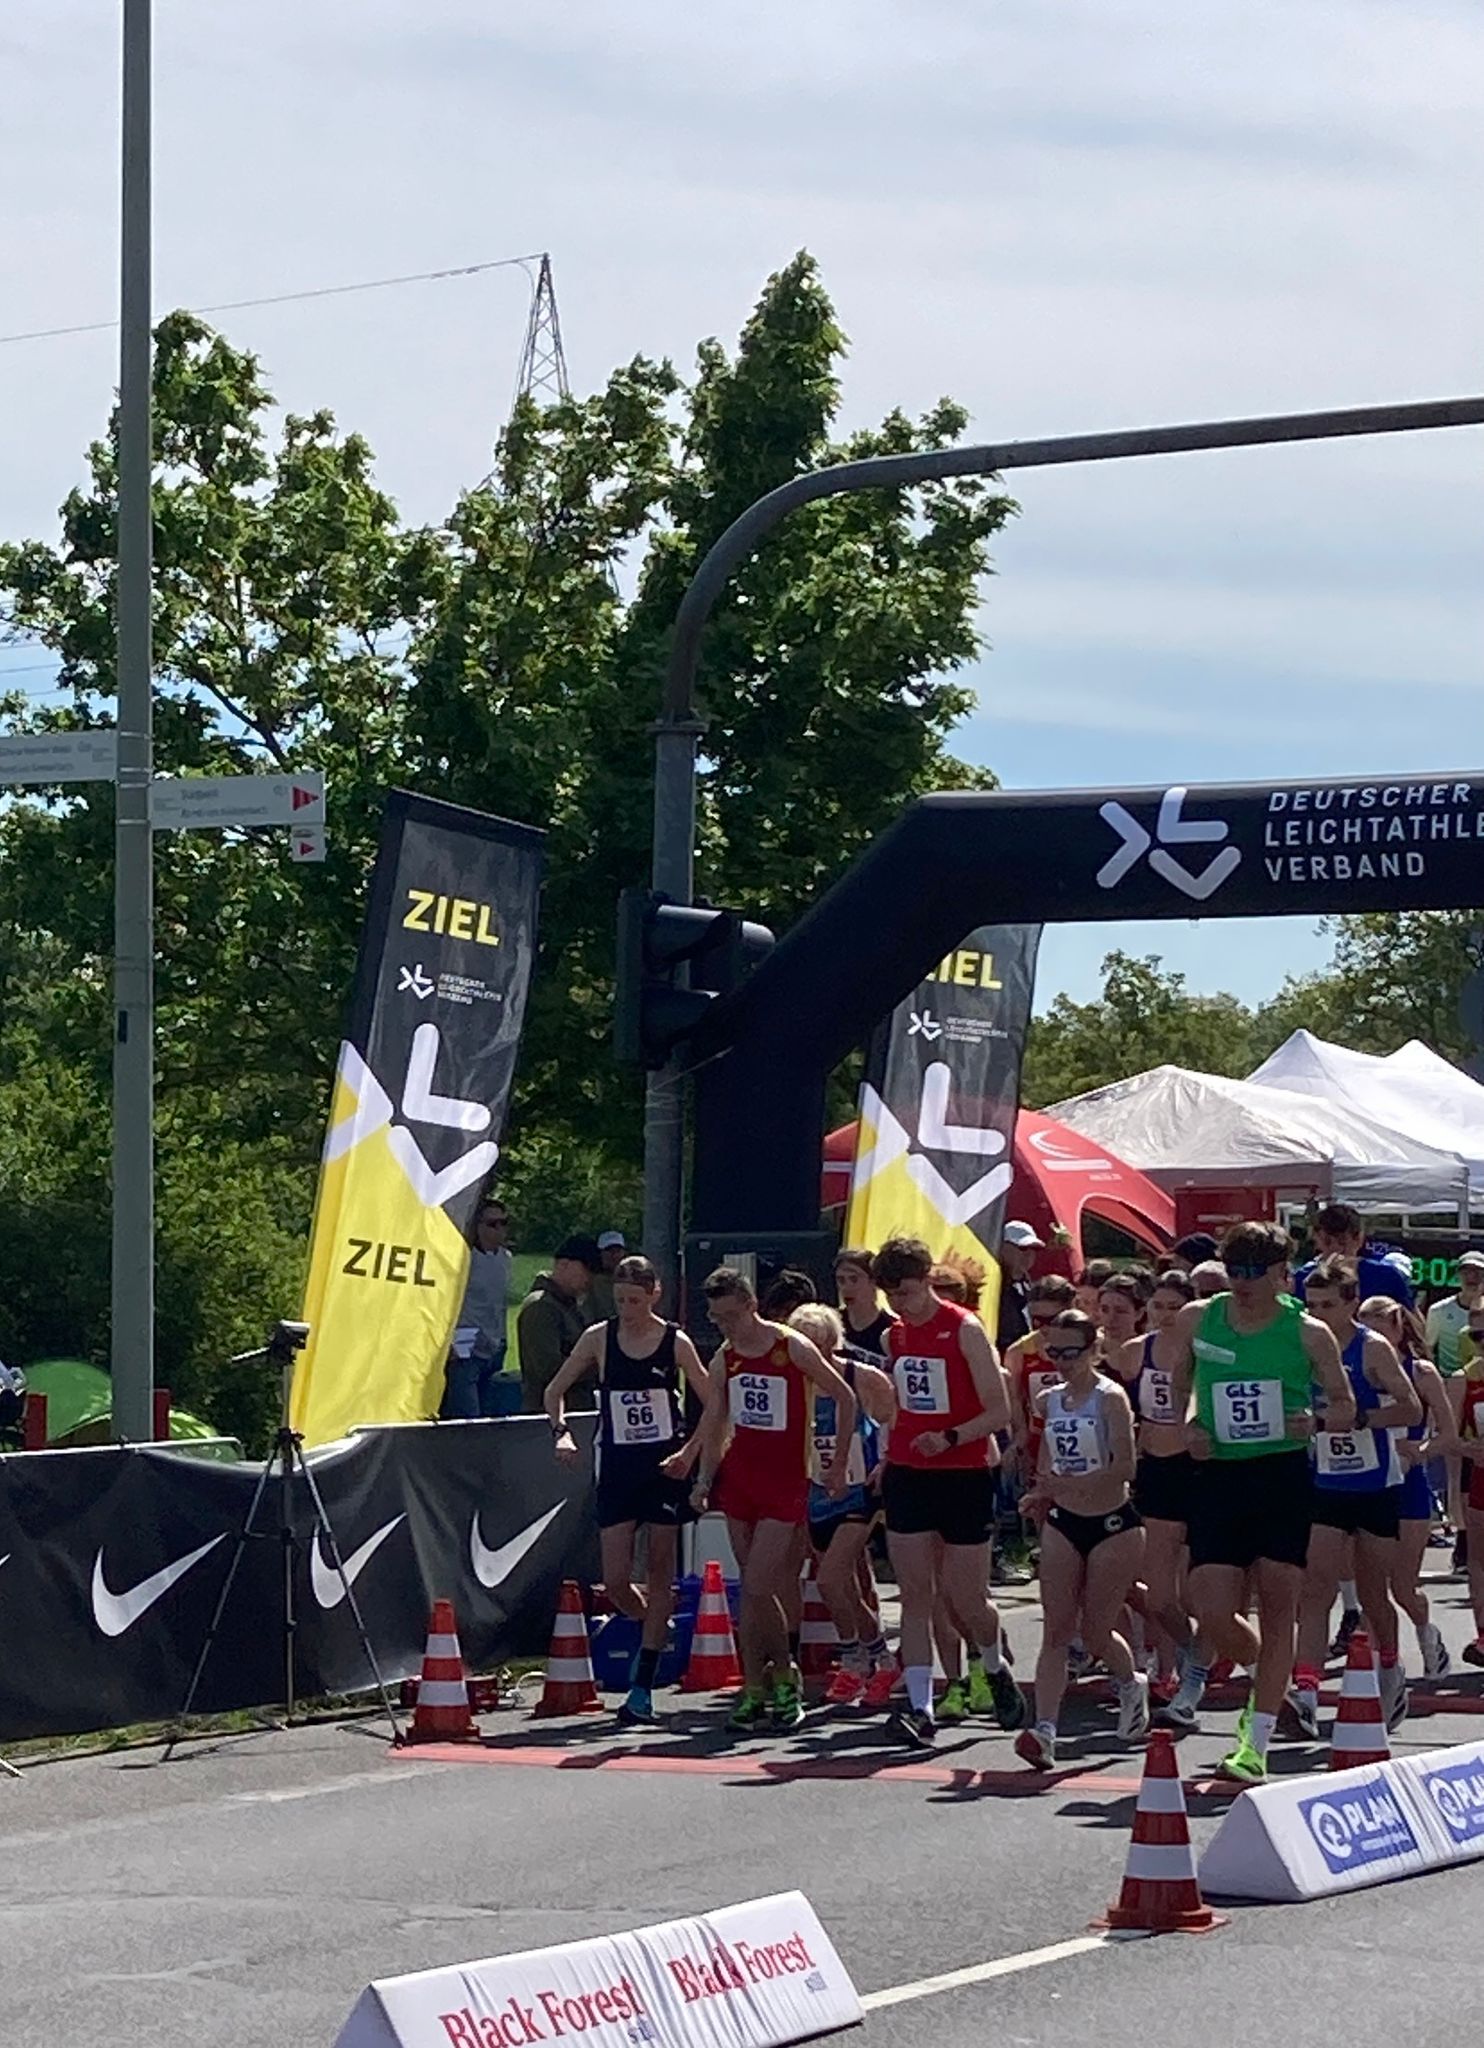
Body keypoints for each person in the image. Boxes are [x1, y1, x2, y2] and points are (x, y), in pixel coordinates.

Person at [1160, 1219, 1355, 1785]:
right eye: (1234, 1271)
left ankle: (1257, 1742)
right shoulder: (1202, 1318)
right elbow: (1180, 1383)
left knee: (1277, 1606)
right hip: (1219, 1475)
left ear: (1280, 1275)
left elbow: (1343, 1405)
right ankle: (1269, 1683)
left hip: (1281, 1475)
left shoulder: (1308, 1332)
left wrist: (1314, 1419)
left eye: (1254, 1273)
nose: (1242, 1284)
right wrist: (1190, 1422)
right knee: (1211, 1606)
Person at [546, 1256, 711, 1727]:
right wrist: (560, 1431)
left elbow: (711, 1397)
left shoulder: (674, 1341)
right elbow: (554, 1388)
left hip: (664, 1468)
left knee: (660, 1571)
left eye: (635, 1301)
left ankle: (643, 1686)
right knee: (616, 1580)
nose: (628, 1309)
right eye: (620, 1300)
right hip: (618, 1466)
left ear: (654, 1295)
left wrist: (691, 1452)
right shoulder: (600, 1336)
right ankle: (656, 1632)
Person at [874, 1235, 1025, 1747]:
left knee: (967, 1598)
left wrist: (952, 1436)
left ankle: (993, 1663)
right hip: (909, 1471)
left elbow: (999, 1411)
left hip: (962, 1471)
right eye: (892, 1297)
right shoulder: (894, 1338)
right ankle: (920, 1707)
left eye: (909, 1293)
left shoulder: (964, 1329)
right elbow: (900, 1403)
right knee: (916, 1595)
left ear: (927, 1281)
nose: (902, 1305)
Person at [690, 1268, 856, 1732]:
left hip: (785, 1483)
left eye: (730, 1316)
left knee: (760, 1586)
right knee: (750, 1590)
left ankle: (786, 1676)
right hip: (739, 1480)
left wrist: (837, 1463)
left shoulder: (790, 1346)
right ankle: (753, 1686)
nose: (724, 1326)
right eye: (716, 1319)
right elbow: (716, 1420)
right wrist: (704, 1479)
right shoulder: (726, 1356)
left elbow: (844, 1397)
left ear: (750, 1306)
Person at [1289, 1258, 1421, 1738]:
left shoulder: (1372, 1348)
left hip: (1374, 1483)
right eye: (1311, 1305)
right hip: (1323, 1482)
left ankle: (1390, 1666)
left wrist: (1360, 1419)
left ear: (1351, 1303)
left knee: (1372, 1592)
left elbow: (1411, 1406)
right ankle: (1305, 1689)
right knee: (1316, 1587)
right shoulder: (1300, 1344)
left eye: (1328, 1305)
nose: (1318, 1314)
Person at [1016, 1309, 1147, 1768]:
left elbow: (1125, 1469)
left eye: (1071, 1353)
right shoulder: (1049, 1401)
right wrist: (1040, 1493)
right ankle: (1045, 1731)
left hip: (1112, 1522)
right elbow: (1049, 1466)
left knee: (1094, 1632)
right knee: (1056, 1630)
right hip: (1065, 1522)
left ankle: (1131, 1683)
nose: (1062, 1362)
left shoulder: (1110, 1399)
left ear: (1093, 1350)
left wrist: (1068, 1487)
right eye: (1054, 1352)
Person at [789, 1303, 896, 1703]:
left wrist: (885, 1463)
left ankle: (854, 1658)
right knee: (846, 1588)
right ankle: (879, 1660)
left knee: (830, 1578)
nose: (813, 1358)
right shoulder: (794, 1381)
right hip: (816, 1494)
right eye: (805, 1348)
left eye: (821, 1347)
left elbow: (893, 1421)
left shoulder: (862, 1377)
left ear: (834, 1344)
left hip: (858, 1491)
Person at [1112, 1268, 1203, 1727]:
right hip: (1156, 1471)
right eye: (1159, 1306)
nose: (1166, 1315)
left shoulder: (1204, 1353)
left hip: (1200, 1469)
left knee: (1196, 1589)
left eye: (1175, 1307)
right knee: (1160, 1592)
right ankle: (1188, 1655)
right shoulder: (1134, 1354)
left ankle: (1198, 1672)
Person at [1358, 1294, 1454, 1681]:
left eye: (1379, 1329)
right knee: (1370, 1585)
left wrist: (1422, 1451)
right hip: (1364, 1482)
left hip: (1407, 1484)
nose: (1371, 1339)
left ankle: (1427, 1634)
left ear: (1397, 1329)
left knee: (1402, 1585)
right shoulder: (1352, 1369)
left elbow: (1447, 1435)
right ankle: (1380, 1667)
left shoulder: (1421, 1372)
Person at [1426, 1250, 1484, 1566]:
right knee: (1457, 1464)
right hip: (1456, 1386)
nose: (1471, 1277)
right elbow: (1427, 1347)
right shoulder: (1440, 1311)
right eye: (1466, 1271)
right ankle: (1464, 1540)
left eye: (1477, 1271)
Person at [443, 1199, 514, 1418]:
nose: (500, 1230)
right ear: (476, 1225)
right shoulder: (461, 1257)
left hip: (494, 1347)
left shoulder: (506, 1259)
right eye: (493, 1224)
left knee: (489, 1417)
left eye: (504, 1223)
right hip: (465, 1350)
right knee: (468, 1416)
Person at [518, 1238, 600, 1412]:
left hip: (573, 1408)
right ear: (564, 1264)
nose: (590, 1277)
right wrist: (596, 1362)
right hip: (546, 1414)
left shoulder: (568, 1306)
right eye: (587, 1269)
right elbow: (548, 1368)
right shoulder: (540, 1306)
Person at [1292, 1202, 1414, 1309]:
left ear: (1359, 1239)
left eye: (1342, 1242)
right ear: (1316, 1240)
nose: (1336, 1249)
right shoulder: (1302, 1278)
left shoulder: (1386, 1276)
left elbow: (1413, 1323)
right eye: (1327, 1242)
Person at [835, 1248, 895, 1358]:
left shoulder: (892, 1330)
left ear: (874, 1282)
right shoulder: (832, 1323)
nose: (846, 1287)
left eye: (854, 1279)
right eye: (841, 1280)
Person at [996, 1221, 1044, 1353]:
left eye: (1034, 1249)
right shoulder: (992, 1288)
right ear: (1002, 1248)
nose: (1029, 1255)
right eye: (1023, 1248)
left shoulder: (1029, 1288)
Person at [1097, 1272, 1146, 1354]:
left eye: (1120, 1311)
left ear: (1139, 1314)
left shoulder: (1151, 1351)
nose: (1111, 1318)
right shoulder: (1089, 1351)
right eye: (1104, 1310)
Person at [586, 1231, 628, 1322]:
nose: (614, 1255)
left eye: (618, 1250)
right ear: (600, 1253)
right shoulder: (592, 1282)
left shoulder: (631, 1281)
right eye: (609, 1250)